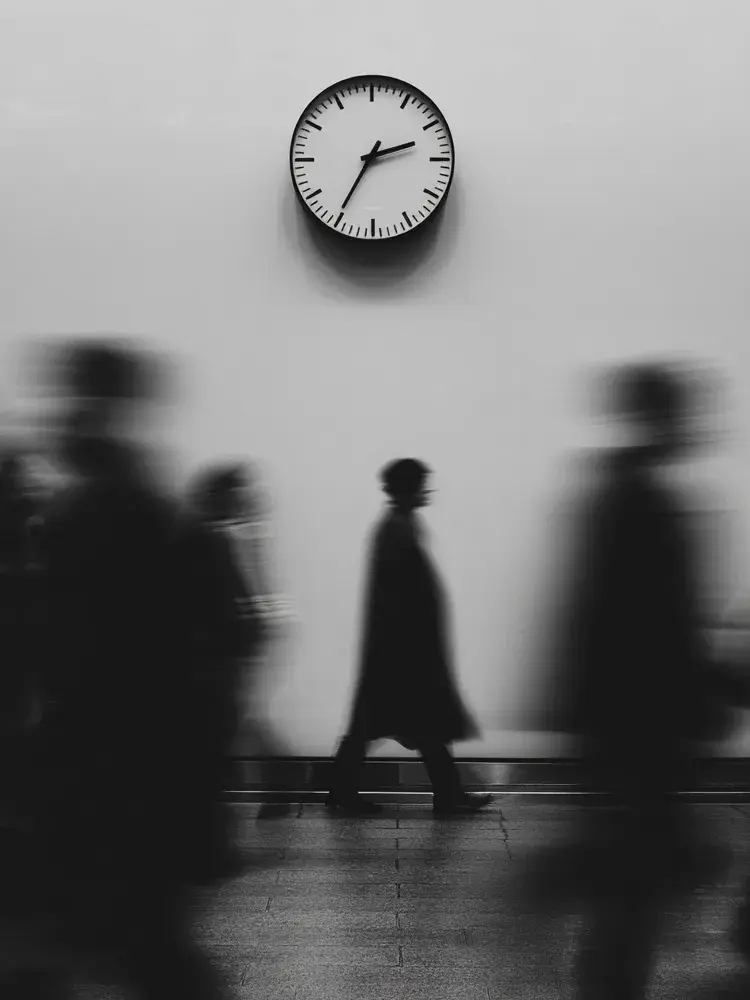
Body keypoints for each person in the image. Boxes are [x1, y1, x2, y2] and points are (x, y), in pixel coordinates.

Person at [10, 341, 228, 999]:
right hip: (133, 782)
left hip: (105, 782)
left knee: (120, 951)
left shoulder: (99, 513)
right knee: (146, 952)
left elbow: (83, 657)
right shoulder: (147, 508)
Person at [550, 361, 736, 1000]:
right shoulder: (643, 501)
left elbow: (590, 617)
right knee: (631, 892)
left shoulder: (615, 492)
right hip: (644, 729)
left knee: (626, 894)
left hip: (624, 727)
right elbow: (651, 626)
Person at [328, 458, 491, 816]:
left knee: (389, 725)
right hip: (402, 652)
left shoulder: (399, 525)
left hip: (398, 650)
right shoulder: (396, 529)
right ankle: (446, 797)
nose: (427, 490)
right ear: (406, 488)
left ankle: (345, 791)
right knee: (405, 725)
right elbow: (400, 597)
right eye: (421, 483)